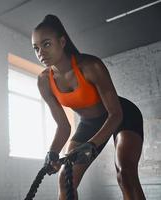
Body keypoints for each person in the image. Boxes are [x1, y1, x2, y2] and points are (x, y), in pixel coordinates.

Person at [32, 14, 145, 200]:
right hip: (89, 123)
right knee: (65, 181)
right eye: (36, 48)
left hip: (122, 114)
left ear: (62, 42)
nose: (40, 53)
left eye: (46, 44)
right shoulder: (44, 81)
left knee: (125, 174)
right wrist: (52, 152)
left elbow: (115, 114)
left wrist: (91, 145)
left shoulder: (90, 66)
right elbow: (63, 126)